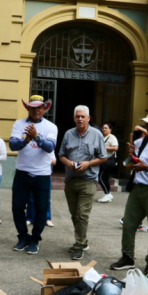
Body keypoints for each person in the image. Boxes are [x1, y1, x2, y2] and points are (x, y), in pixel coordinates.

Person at [110, 109, 148, 274]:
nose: (146, 125)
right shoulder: (146, 139)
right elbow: (139, 159)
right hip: (137, 188)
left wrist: (146, 167)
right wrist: (133, 154)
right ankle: (127, 257)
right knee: (128, 224)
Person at [57, 105, 108, 260]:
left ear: (88, 118)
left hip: (88, 180)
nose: (80, 119)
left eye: (83, 116)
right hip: (71, 180)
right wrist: (69, 163)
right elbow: (61, 155)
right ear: (74, 118)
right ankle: (83, 241)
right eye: (77, 116)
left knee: (82, 215)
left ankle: (79, 245)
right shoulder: (68, 134)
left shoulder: (96, 134)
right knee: (74, 215)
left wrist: (88, 163)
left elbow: (104, 157)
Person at [9, 95, 58, 255]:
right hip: (22, 172)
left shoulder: (51, 127)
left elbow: (50, 147)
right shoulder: (19, 124)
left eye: (39, 107)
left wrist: (36, 137)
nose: (36, 110)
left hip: (42, 174)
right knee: (17, 207)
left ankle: (35, 239)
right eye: (33, 107)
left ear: (44, 109)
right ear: (28, 108)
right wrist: (26, 140)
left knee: (41, 209)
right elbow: (13, 145)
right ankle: (23, 237)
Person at [27, 153, 56, 227]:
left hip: (45, 174)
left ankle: (47, 218)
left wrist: (46, 160)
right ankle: (30, 218)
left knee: (46, 198)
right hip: (33, 173)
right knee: (31, 197)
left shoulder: (49, 148)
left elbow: (54, 161)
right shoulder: (33, 149)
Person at [97, 122, 119, 203]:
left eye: (106, 128)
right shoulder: (103, 137)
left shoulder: (112, 137)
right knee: (105, 178)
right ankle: (108, 195)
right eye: (103, 128)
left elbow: (115, 148)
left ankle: (107, 194)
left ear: (110, 129)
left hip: (108, 161)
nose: (104, 129)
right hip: (104, 160)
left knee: (100, 177)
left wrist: (103, 148)